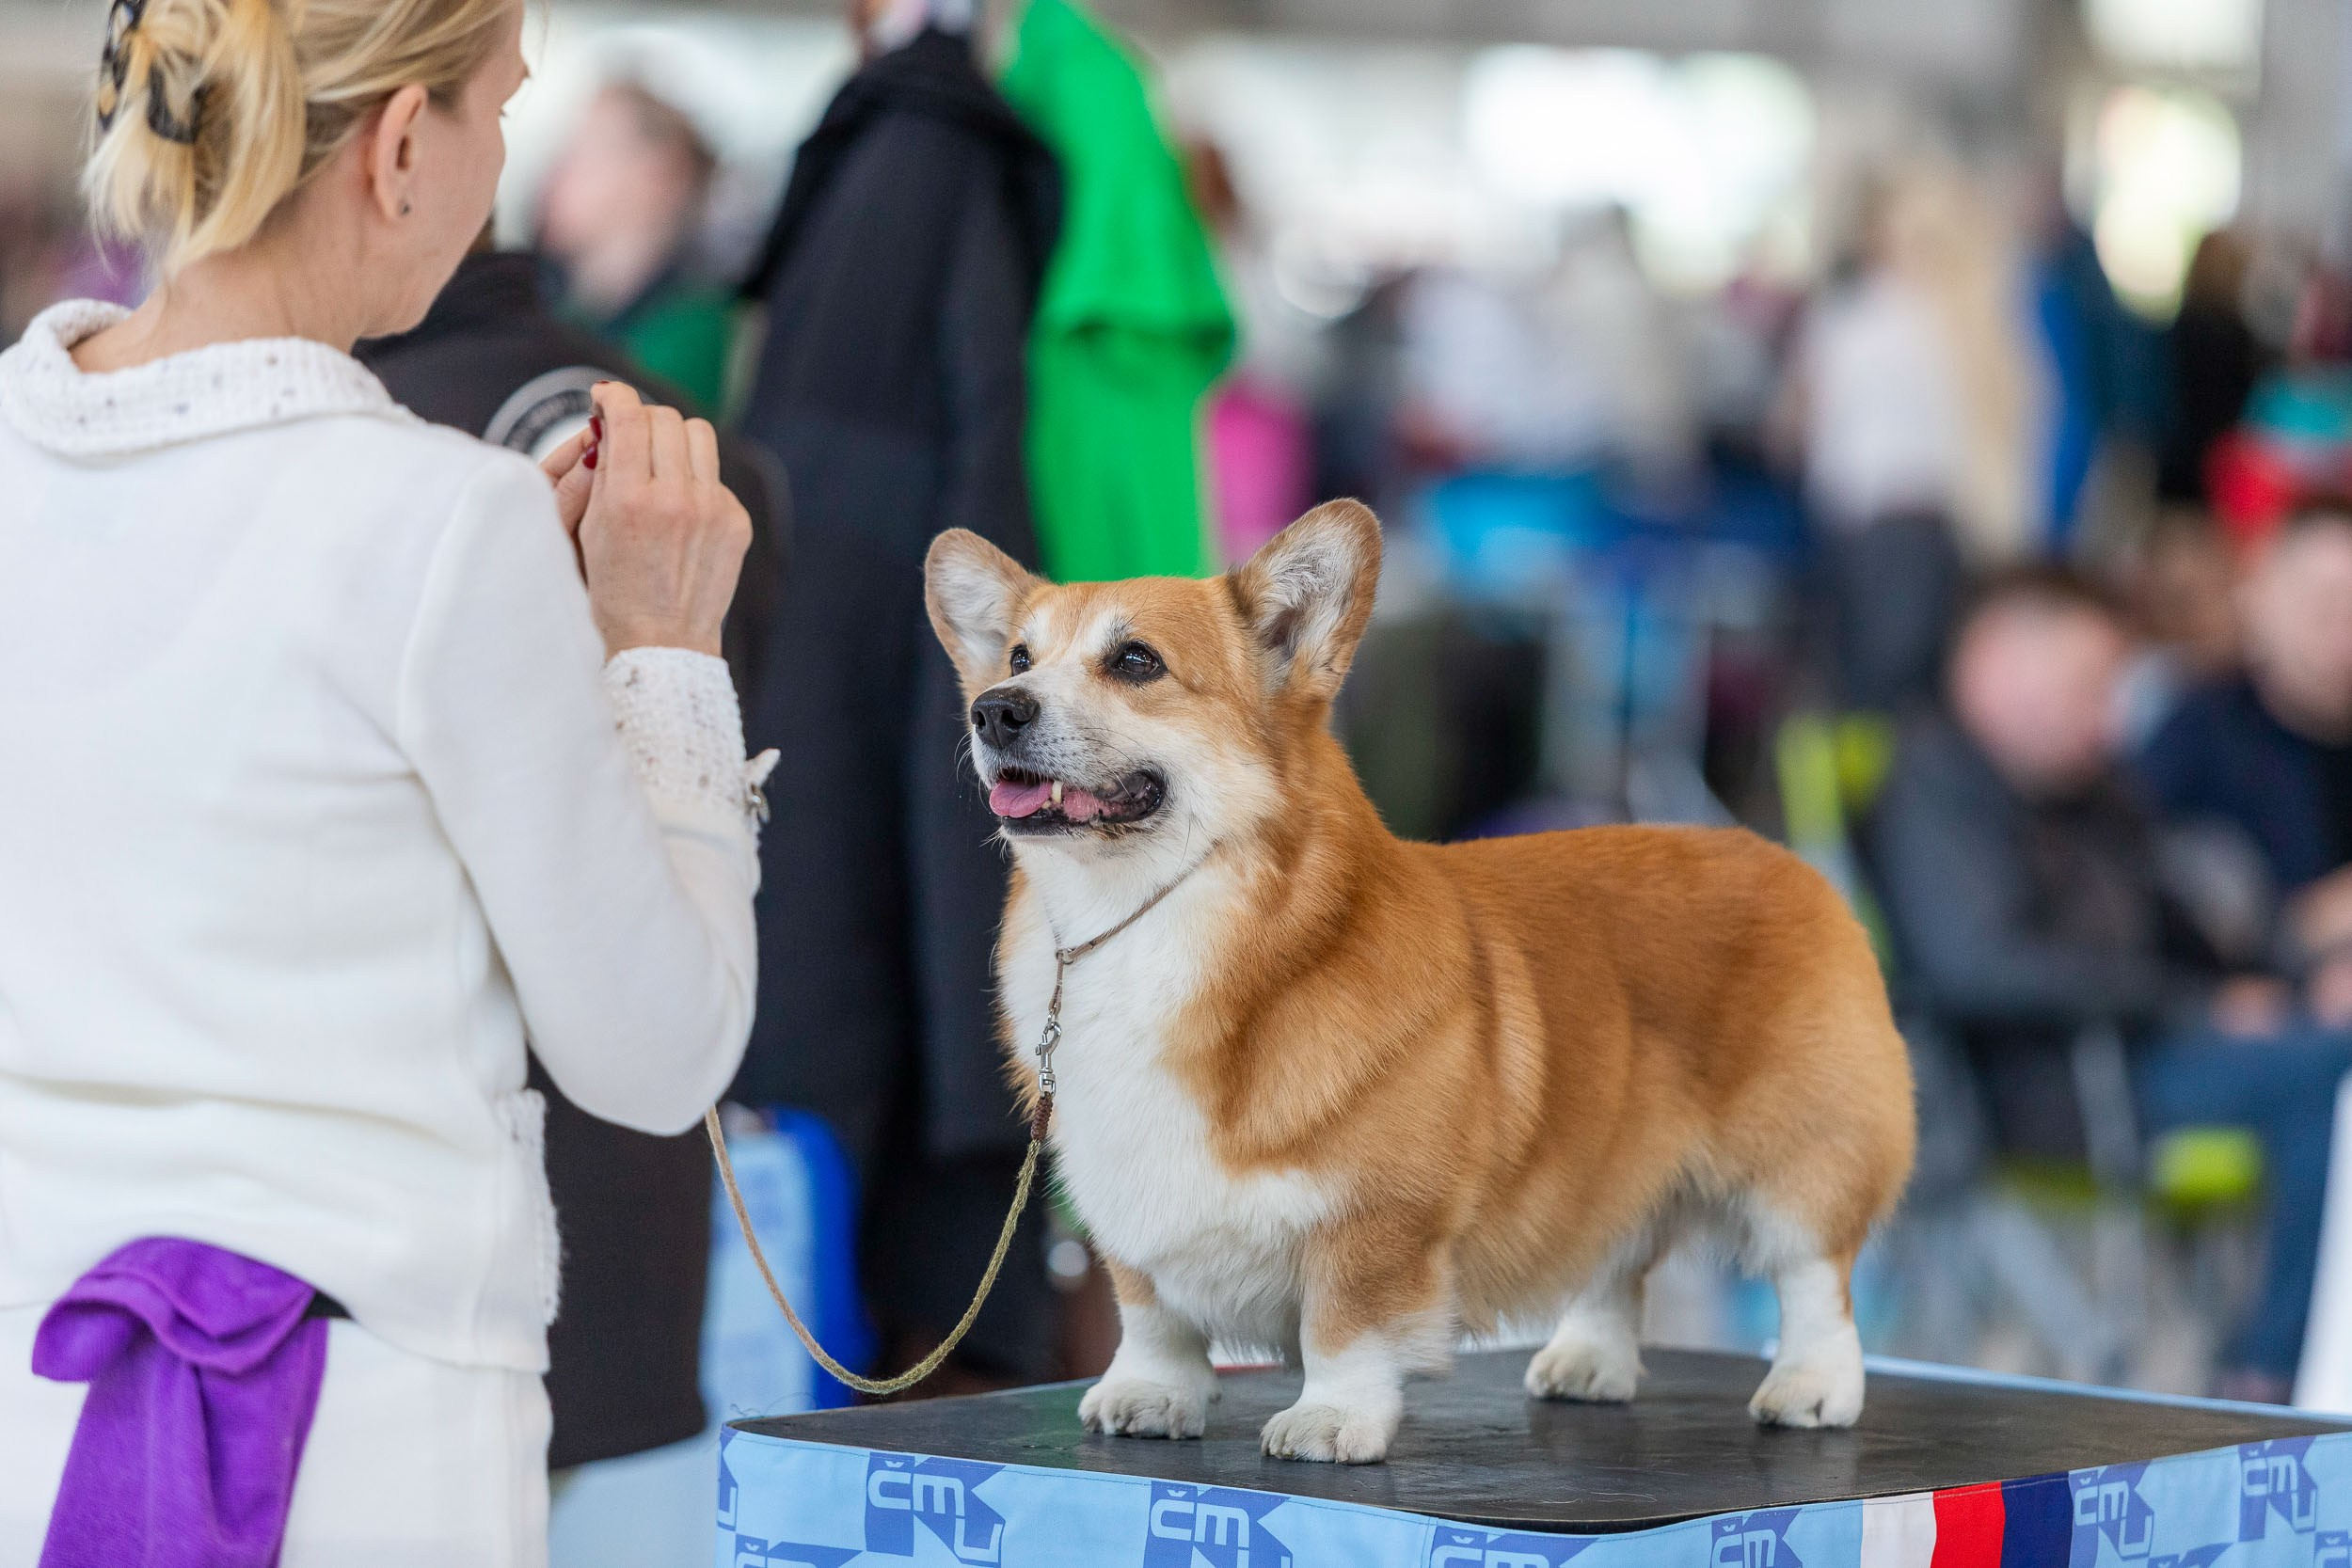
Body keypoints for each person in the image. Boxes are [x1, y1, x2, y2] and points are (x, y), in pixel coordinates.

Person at [0, 0, 765, 1561]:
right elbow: (655, 1048)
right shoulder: (442, 525)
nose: (503, 164)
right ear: (404, 148)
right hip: (350, 1443)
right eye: (499, 114)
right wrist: (661, 647)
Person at [353, 238, 787, 1488]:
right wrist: (663, 654)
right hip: (590, 1211)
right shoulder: (679, 449)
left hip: (312, 1269)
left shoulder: (91, 460)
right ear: (400, 151)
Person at [731, 0, 1061, 1388]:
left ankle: (828, 1332)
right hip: (917, 651)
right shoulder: (964, 153)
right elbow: (989, 427)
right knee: (920, 973)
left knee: (822, 967)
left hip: (817, 641)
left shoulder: (865, 152)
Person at [1869, 571, 2352, 1400]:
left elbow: (2192, 931)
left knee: (2327, 1039)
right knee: (2329, 1068)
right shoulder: (1930, 782)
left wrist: (2301, 975)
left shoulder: (2091, 789)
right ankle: (2273, 1365)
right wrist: (2192, 1003)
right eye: (2087, 687)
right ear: (1998, 664)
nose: (2107, 717)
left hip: (2149, 1046)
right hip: (2054, 1081)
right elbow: (1979, 966)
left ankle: (2288, 1356)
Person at [2139, 507, 2352, 1022]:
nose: (2338, 621)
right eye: (2316, 598)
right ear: (2258, 600)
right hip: (2247, 1012)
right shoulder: (2195, 734)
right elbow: (2142, 906)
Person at [535, 80, 735, 415]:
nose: (557, 176)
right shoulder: (562, 307)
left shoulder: (694, 329)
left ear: (655, 176)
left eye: (585, 157)